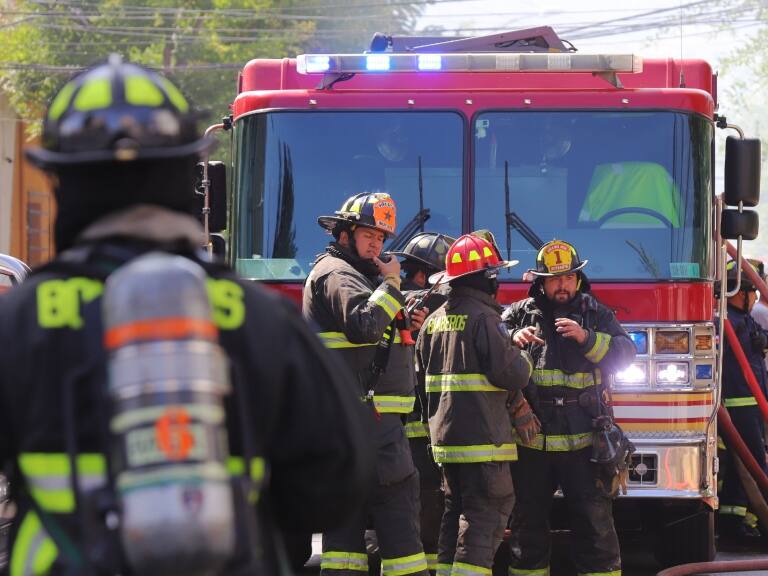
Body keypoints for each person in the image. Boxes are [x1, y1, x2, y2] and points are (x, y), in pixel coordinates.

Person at [0, 55, 372, 575]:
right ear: (188, 177)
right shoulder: (261, 318)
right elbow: (335, 485)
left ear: (64, 182)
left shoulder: (18, 320)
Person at [303, 192, 430, 576]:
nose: (376, 245)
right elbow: (364, 325)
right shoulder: (337, 274)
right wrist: (392, 284)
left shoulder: (354, 274)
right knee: (401, 531)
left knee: (345, 544)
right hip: (370, 428)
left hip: (357, 424)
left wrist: (403, 315)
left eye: (380, 238)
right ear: (345, 235)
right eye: (368, 235)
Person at [502, 239, 636, 576]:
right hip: (531, 441)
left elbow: (626, 354)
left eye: (568, 278)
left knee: (595, 526)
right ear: (541, 283)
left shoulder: (596, 314)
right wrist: (512, 337)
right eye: (554, 279)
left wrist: (586, 338)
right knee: (526, 526)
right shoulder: (520, 312)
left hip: (584, 442)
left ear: (578, 280)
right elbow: (490, 339)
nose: (562, 285)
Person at [415, 233, 535, 576]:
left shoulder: (432, 322)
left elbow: (420, 379)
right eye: (493, 274)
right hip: (484, 444)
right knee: (486, 516)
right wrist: (522, 354)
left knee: (454, 515)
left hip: (446, 445)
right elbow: (513, 374)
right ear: (484, 278)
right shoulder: (485, 319)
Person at [390, 232, 455, 574]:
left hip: (396, 425)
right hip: (428, 426)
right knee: (432, 500)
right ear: (425, 277)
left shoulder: (385, 297)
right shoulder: (439, 304)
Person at [718, 259, 768, 541]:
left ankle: (736, 522)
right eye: (753, 292)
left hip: (752, 404)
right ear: (741, 291)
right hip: (739, 405)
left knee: (743, 466)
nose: (755, 299)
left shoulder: (743, 319)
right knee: (752, 464)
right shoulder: (726, 322)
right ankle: (741, 525)